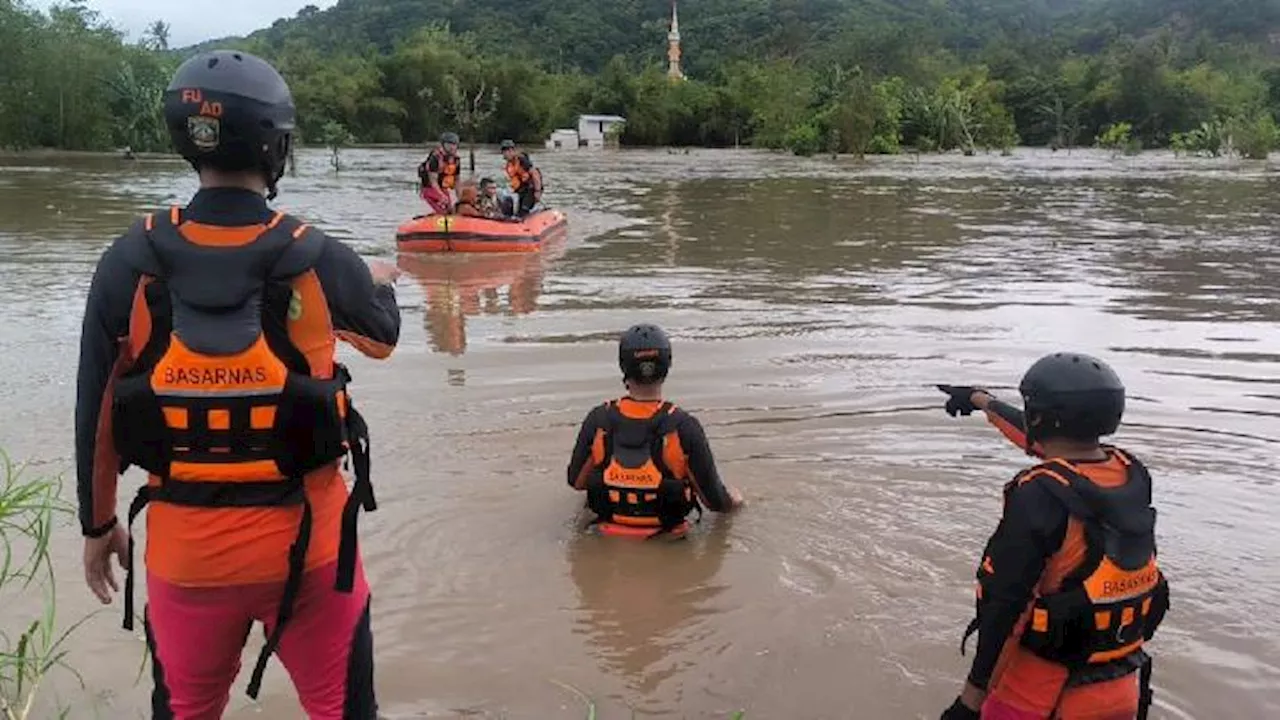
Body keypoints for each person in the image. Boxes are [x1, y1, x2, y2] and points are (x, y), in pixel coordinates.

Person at [74, 49, 401, 719]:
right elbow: (383, 338)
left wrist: (98, 522)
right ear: (276, 145)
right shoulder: (318, 255)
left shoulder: (128, 258)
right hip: (311, 558)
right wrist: (375, 281)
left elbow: (94, 408)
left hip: (183, 561)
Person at [935, 353, 1170, 720]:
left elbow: (1004, 607)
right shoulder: (1130, 473)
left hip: (1039, 698)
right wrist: (979, 400)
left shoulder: (1038, 495)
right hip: (1125, 687)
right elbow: (1047, 442)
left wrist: (970, 700)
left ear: (1040, 418)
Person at [566, 323, 745, 538]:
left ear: (623, 366)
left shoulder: (598, 419)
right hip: (670, 541)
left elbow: (576, 482)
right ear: (667, 366)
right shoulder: (684, 426)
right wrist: (736, 500)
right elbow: (715, 502)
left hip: (605, 534)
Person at [418, 131, 460, 214]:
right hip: (430, 189)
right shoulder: (435, 158)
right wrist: (441, 195)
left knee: (451, 210)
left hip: (443, 188)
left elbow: (457, 181)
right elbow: (433, 181)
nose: (452, 147)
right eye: (449, 144)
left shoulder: (456, 160)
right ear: (443, 145)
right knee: (443, 210)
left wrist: (461, 198)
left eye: (454, 145)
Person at [500, 139, 543, 217]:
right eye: (504, 152)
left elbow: (535, 174)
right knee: (517, 210)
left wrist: (537, 191)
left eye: (506, 152)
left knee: (524, 209)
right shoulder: (509, 164)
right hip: (522, 190)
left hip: (531, 189)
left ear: (512, 151)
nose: (505, 155)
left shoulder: (522, 160)